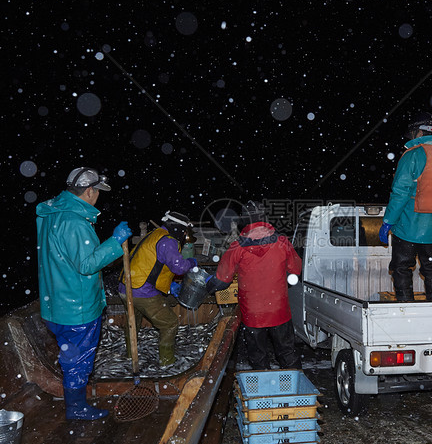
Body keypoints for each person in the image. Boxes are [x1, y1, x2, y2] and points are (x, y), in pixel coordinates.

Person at [36, 167, 132, 420]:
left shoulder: (51, 214)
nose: (98, 196)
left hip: (54, 301)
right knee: (77, 361)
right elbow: (87, 264)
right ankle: (76, 408)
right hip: (76, 307)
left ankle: (75, 403)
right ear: (89, 191)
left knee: (70, 355)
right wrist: (115, 242)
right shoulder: (74, 222)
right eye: (97, 191)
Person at [205, 201, 303, 370]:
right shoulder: (282, 242)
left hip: (253, 313)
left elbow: (222, 280)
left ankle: (263, 391)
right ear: (264, 217)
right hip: (279, 311)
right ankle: (294, 388)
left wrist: (207, 287)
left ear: (245, 221)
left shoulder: (236, 247)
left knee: (258, 356)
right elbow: (296, 269)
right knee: (287, 352)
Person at [378, 112, 432, 302]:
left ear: (419, 132)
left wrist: (388, 221)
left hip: (409, 223)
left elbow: (400, 193)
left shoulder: (413, 155)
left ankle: (406, 307)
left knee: (401, 267)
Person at [118, 211, 197, 366]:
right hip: (141, 290)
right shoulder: (168, 241)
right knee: (170, 323)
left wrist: (168, 285)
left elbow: (155, 264)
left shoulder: (156, 233)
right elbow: (179, 267)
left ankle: (130, 355)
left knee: (133, 322)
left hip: (125, 286)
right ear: (179, 229)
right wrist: (192, 263)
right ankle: (166, 362)